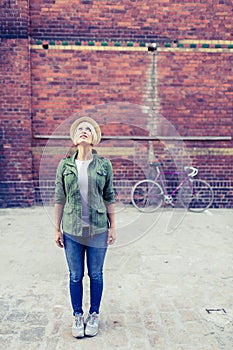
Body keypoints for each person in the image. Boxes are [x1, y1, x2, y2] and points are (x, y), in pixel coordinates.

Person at [54, 116, 116, 338]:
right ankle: (77, 315)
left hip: (98, 229)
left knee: (96, 275)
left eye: (88, 129)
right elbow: (59, 198)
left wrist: (113, 227)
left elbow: (109, 196)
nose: (83, 131)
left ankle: (94, 315)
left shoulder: (104, 165)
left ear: (93, 138)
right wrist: (56, 229)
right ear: (74, 137)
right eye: (79, 129)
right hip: (72, 229)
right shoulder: (65, 165)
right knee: (75, 275)